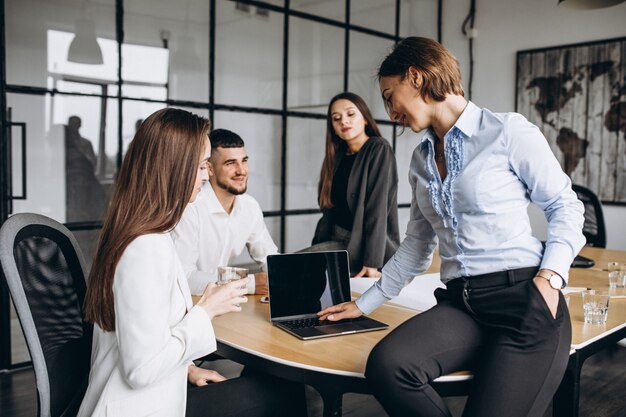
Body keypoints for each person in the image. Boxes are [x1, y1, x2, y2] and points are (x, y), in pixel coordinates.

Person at [318, 37, 585, 417]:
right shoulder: (420, 160)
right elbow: (415, 245)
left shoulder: (508, 131)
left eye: (390, 95)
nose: (390, 111)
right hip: (463, 303)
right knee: (388, 367)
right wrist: (364, 303)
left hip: (525, 301)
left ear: (416, 77)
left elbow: (566, 206)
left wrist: (550, 278)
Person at [79, 108, 306, 417]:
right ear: (174, 168)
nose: (205, 175)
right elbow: (140, 370)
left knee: (273, 380)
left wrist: (187, 369)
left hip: (161, 388)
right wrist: (206, 310)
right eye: (201, 165)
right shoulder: (146, 247)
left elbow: (149, 335)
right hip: (141, 406)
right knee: (285, 389)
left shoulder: (144, 234)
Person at [173, 128, 277, 296]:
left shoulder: (249, 206)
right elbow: (184, 277)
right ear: (210, 168)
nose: (241, 170)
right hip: (189, 305)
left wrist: (286, 277)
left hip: (223, 302)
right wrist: (249, 284)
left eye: (244, 161)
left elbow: (270, 259)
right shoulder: (190, 208)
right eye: (230, 163)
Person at [306, 92, 400, 278]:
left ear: (365, 119)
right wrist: (317, 244)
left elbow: (377, 209)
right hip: (335, 239)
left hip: (362, 245)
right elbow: (328, 210)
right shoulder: (337, 156)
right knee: (290, 268)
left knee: (291, 269)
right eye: (336, 118)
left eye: (350, 114)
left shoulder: (378, 148)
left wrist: (372, 262)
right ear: (332, 126)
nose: (343, 121)